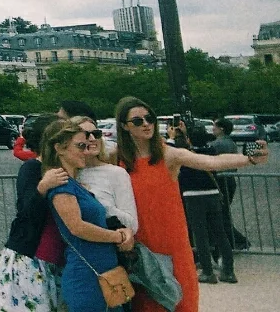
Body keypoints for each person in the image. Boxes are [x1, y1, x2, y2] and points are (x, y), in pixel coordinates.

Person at [115, 97, 269, 312]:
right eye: (138, 121)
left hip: (174, 245)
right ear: (124, 126)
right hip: (140, 247)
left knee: (183, 303)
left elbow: (210, 162)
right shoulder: (116, 158)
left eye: (149, 118)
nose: (146, 124)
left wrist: (249, 159)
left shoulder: (168, 155)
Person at [42, 119, 134, 312]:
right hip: (86, 275)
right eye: (79, 146)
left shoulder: (73, 183)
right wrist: (117, 236)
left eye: (86, 146)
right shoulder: (62, 185)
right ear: (59, 148)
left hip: (103, 271)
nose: (85, 151)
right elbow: (77, 227)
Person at [0, 115, 69, 312]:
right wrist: (42, 189)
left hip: (53, 258)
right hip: (31, 257)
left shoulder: (62, 169)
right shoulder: (33, 168)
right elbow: (26, 212)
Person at [173, 123, 231, 284]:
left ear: (189, 139)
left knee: (201, 235)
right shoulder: (211, 151)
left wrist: (177, 136)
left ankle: (207, 271)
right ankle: (229, 270)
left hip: (193, 196)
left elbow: (175, 148)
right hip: (212, 194)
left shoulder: (184, 154)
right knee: (220, 233)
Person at [208, 119, 248, 250]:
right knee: (223, 212)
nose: (213, 128)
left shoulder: (217, 144)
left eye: (215, 126)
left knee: (221, 213)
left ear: (221, 129)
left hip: (221, 180)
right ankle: (234, 240)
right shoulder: (230, 143)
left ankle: (237, 240)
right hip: (229, 179)